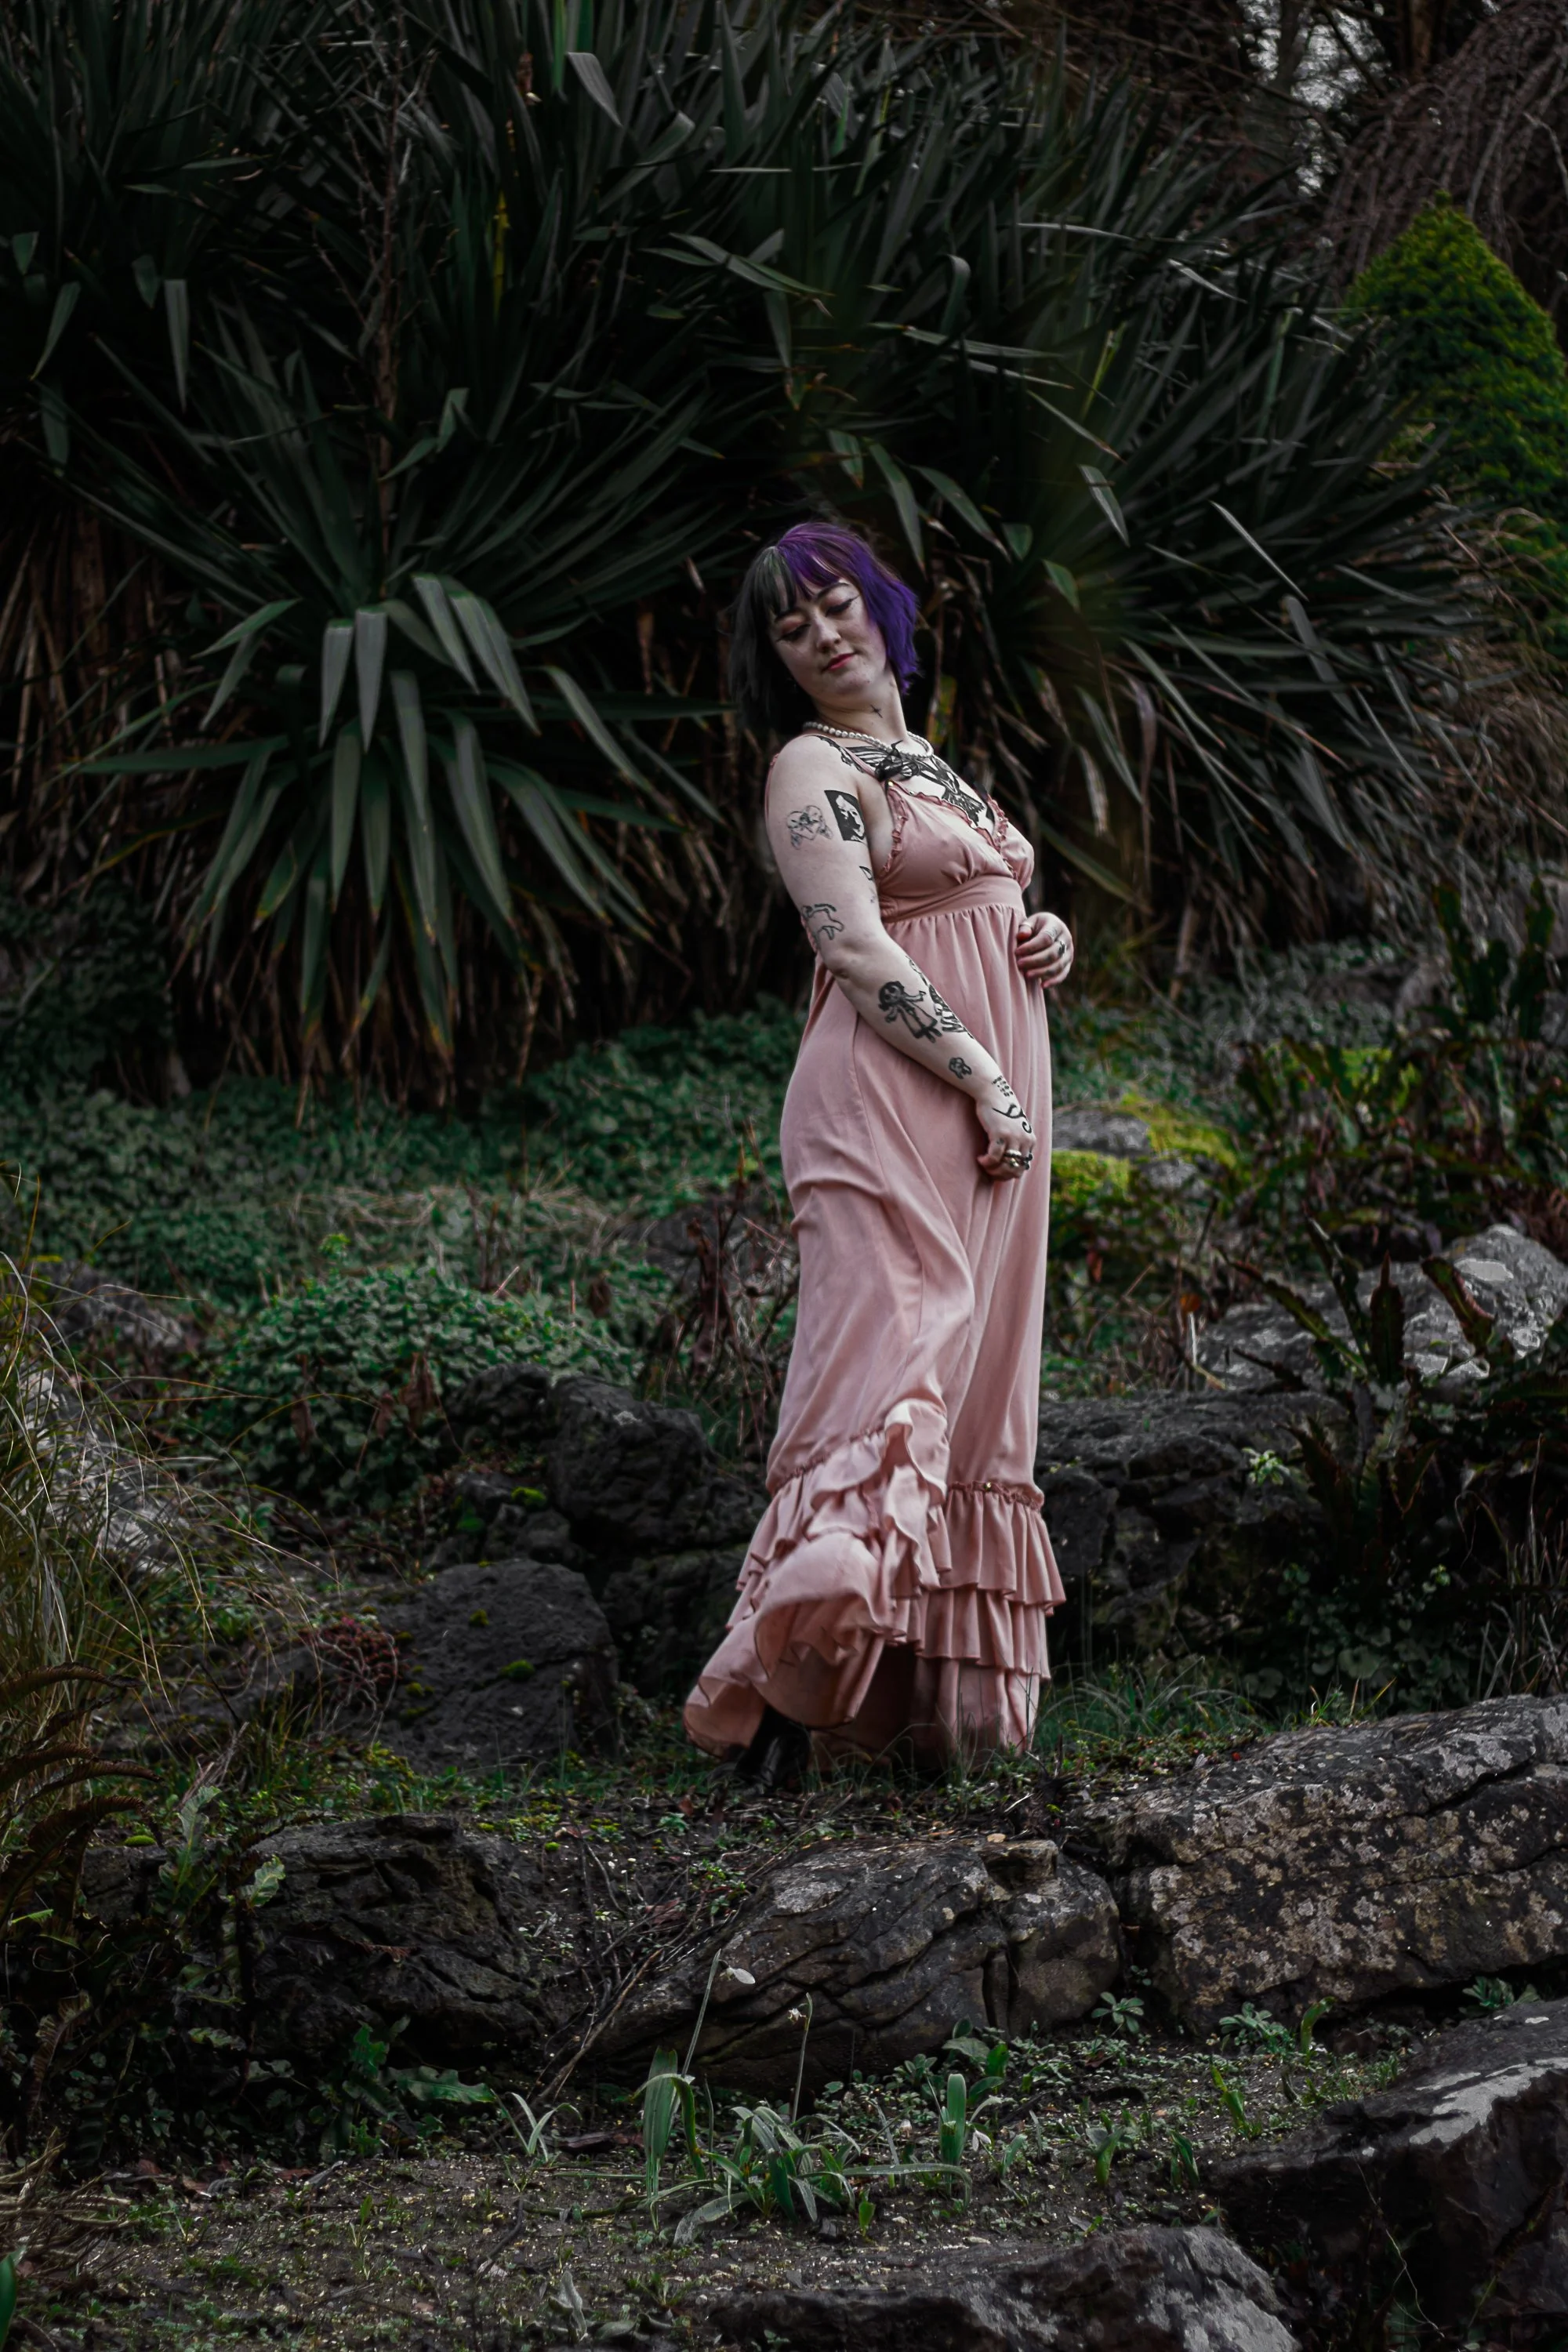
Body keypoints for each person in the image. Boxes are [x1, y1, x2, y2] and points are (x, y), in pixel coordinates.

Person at [683, 521, 1074, 1784]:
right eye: (791, 632)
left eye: (837, 606)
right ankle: (779, 1722)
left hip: (988, 1106)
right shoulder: (808, 767)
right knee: (887, 1371)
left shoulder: (927, 761)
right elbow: (854, 947)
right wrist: (982, 1078)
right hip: (891, 1102)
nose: (823, 638)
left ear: (884, 608)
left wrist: (1044, 933)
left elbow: (979, 900)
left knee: (972, 1386)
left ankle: (913, 1722)